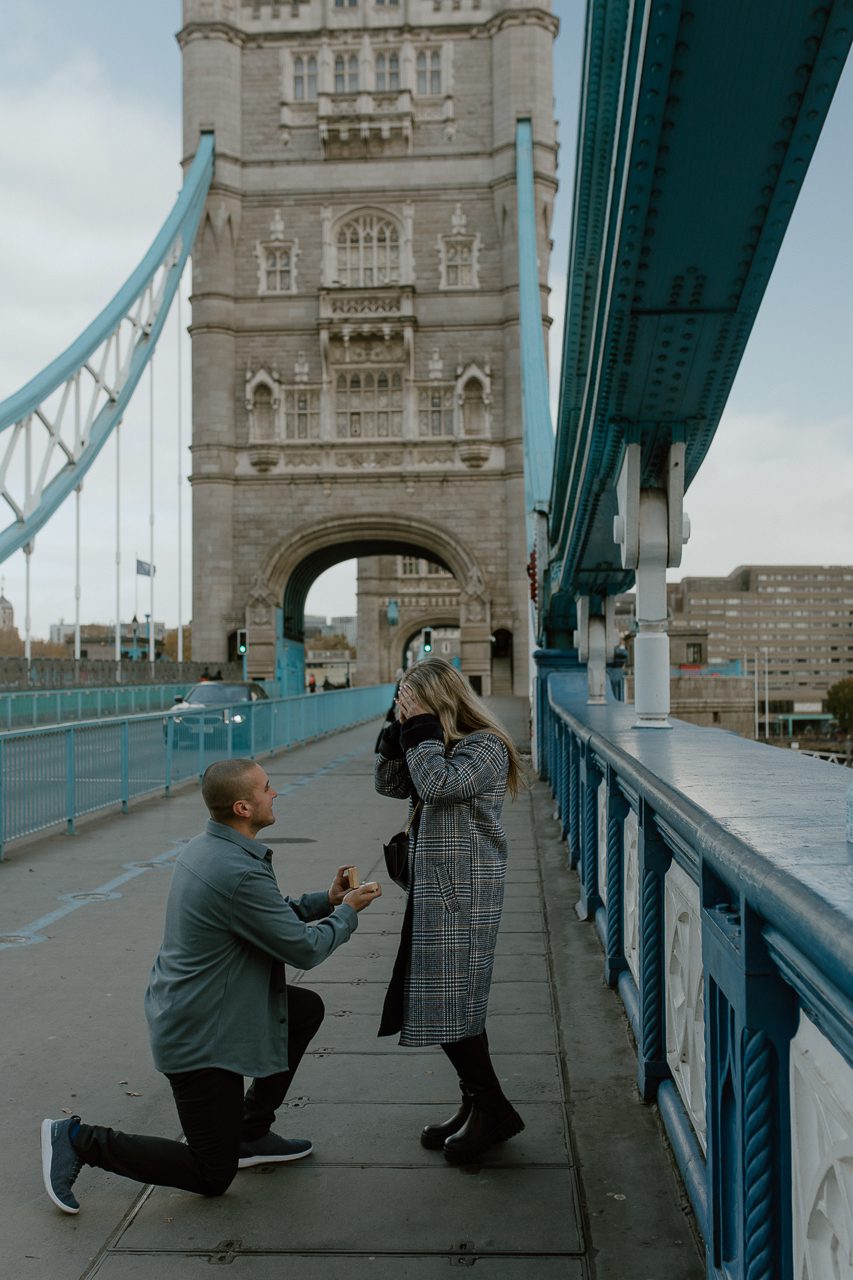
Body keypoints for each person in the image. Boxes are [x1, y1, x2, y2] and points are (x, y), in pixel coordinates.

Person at [41, 758, 381, 1214]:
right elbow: (304, 951)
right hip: (201, 1032)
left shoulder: (214, 848)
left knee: (302, 1009)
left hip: (207, 1006)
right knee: (211, 1175)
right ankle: (78, 1140)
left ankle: (251, 1131)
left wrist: (327, 900)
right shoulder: (235, 869)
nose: (274, 793)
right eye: (266, 788)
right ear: (243, 807)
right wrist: (348, 912)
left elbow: (268, 915)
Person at [374, 656, 524, 1164]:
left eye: (412, 702)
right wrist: (396, 735)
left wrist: (419, 731)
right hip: (437, 889)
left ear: (439, 702)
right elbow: (392, 786)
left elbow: (438, 787)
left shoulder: (485, 747)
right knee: (446, 1000)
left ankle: (492, 1109)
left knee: (453, 1000)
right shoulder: (436, 745)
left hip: (465, 892)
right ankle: (477, 1104)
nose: (407, 709)